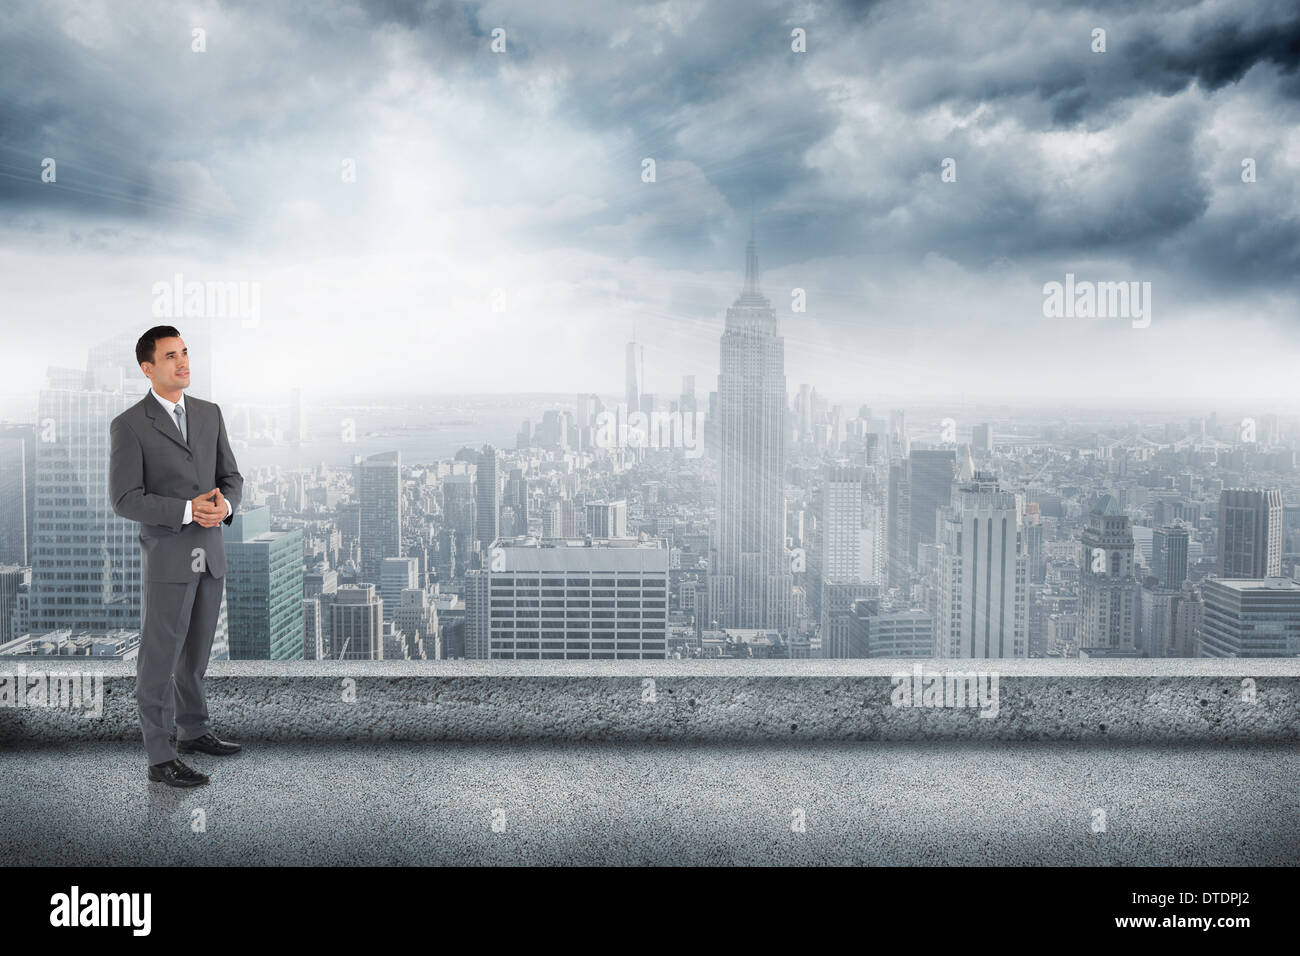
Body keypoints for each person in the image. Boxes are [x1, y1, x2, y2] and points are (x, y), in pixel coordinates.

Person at [109, 325, 244, 788]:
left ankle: (193, 730)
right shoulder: (129, 425)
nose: (183, 362)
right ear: (148, 369)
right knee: (159, 660)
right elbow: (125, 499)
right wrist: (187, 510)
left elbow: (232, 476)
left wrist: (225, 505)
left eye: (185, 352)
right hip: (168, 557)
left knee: (196, 657)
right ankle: (160, 756)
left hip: (211, 553)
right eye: (171, 356)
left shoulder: (209, 413)